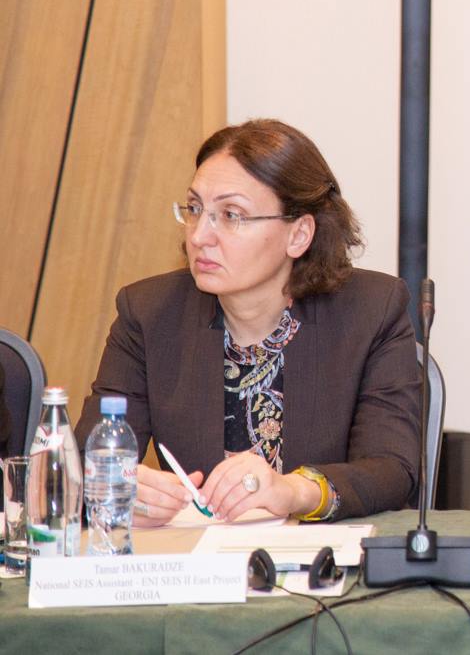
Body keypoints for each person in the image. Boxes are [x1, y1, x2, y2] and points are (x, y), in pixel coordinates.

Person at [76, 120, 422, 525]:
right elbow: (84, 460)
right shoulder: (149, 314)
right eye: (194, 209)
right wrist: (115, 487)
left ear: (299, 234)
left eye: (231, 215)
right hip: (195, 558)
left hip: (320, 559)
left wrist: (293, 490)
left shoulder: (371, 311)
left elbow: (392, 470)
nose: (199, 236)